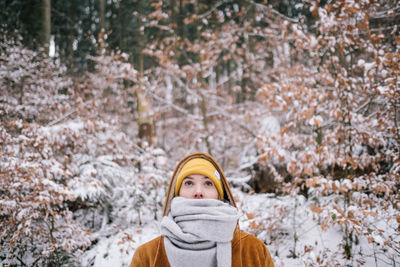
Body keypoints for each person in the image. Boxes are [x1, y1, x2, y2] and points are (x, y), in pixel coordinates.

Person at [130, 152, 275, 267]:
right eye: (188, 183)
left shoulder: (253, 250)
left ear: (220, 195)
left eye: (208, 183)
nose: (198, 191)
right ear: (177, 193)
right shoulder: (148, 256)